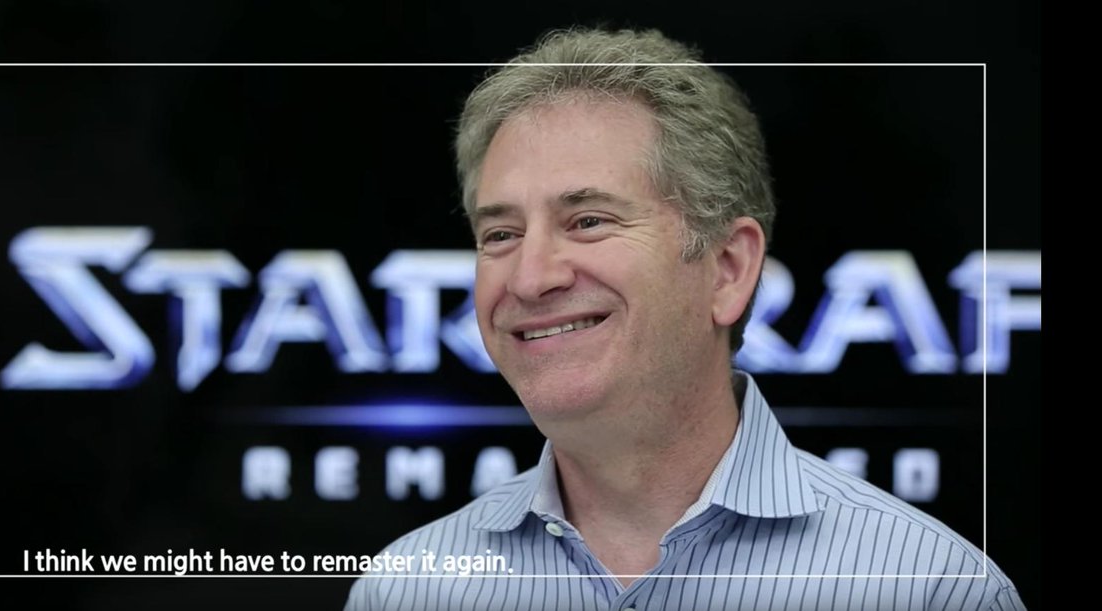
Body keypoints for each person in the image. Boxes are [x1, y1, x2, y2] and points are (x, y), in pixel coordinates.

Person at [345, 27, 1025, 610]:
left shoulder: (930, 589)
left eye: (588, 221)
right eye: (500, 234)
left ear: (728, 268)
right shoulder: (406, 589)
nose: (529, 277)